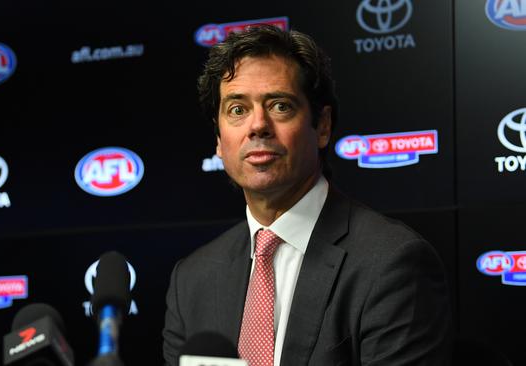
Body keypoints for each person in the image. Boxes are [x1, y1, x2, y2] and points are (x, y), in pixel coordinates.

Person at [163, 24, 452, 366]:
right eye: (237, 109)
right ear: (218, 140)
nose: (258, 125)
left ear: (323, 127)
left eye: (280, 106)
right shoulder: (192, 281)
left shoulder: (391, 264)